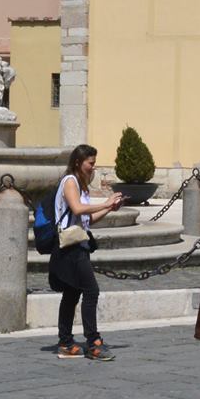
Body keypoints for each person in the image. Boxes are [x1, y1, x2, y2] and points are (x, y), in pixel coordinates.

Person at [50, 143, 122, 361]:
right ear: (78, 162)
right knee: (91, 291)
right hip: (70, 247)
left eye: (94, 163)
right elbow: (78, 209)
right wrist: (105, 202)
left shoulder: (80, 185)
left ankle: (65, 342)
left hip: (78, 243)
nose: (93, 167)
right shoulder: (70, 182)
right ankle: (93, 343)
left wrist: (109, 208)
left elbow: (87, 219)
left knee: (72, 294)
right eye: (90, 163)